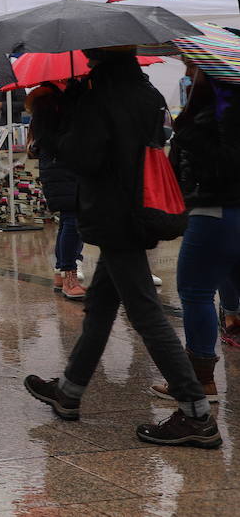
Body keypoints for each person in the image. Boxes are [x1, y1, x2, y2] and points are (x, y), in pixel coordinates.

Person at [24, 48, 219, 449]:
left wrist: (49, 123)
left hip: (116, 216)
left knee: (146, 314)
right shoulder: (145, 92)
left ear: (98, 56)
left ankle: (196, 413)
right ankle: (69, 390)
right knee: (100, 307)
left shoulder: (102, 97)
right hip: (136, 208)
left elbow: (86, 156)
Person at [147, 69, 240, 404]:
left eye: (194, 69)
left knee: (196, 293)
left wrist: (188, 132)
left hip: (215, 212)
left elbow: (223, 166)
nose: (188, 74)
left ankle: (201, 382)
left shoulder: (215, 116)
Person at [28, 84, 85, 300]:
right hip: (59, 169)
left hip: (65, 168)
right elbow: (46, 139)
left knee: (70, 220)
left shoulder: (66, 98)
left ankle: (62, 273)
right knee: (73, 221)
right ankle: (69, 277)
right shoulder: (47, 101)